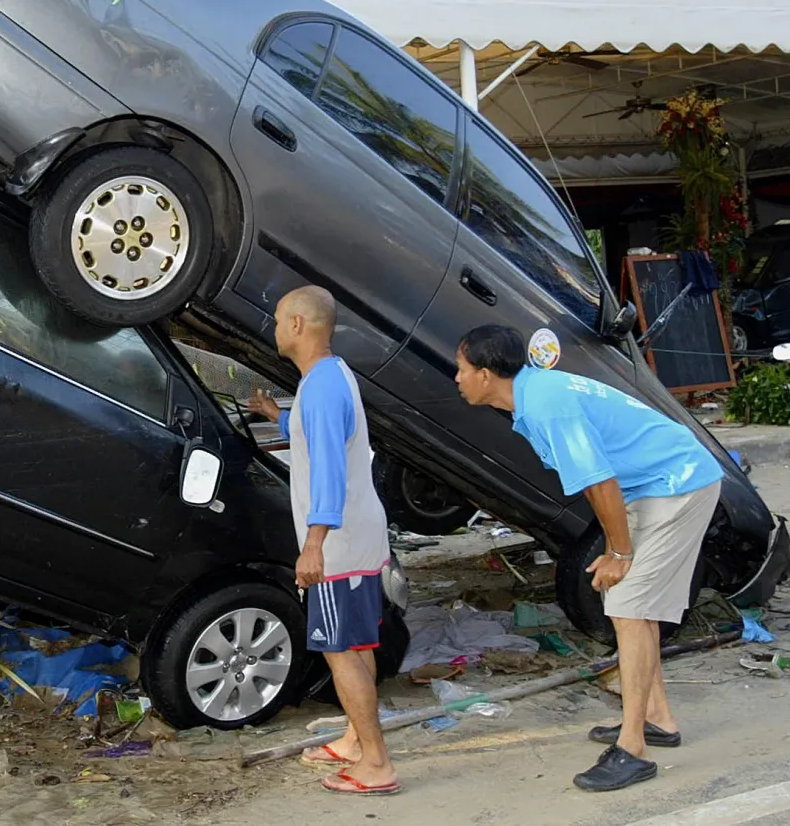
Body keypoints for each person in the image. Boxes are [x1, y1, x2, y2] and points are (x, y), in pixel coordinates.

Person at [453, 324, 723, 792]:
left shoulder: (545, 405)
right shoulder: (534, 393)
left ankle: (633, 747)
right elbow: (602, 483)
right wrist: (619, 549)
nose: (455, 378)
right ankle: (657, 718)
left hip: (676, 483)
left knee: (630, 608)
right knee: (634, 606)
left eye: (460, 369)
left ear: (485, 374)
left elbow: (600, 483)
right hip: (654, 484)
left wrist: (619, 552)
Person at [245, 285, 398, 797]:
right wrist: (276, 417)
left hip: (337, 541)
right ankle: (357, 740)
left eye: (277, 320)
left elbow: (329, 470)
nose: (273, 329)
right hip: (357, 534)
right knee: (358, 643)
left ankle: (376, 763)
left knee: (339, 651)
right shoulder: (328, 378)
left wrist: (313, 544)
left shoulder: (323, 386)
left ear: (297, 326)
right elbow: (322, 435)